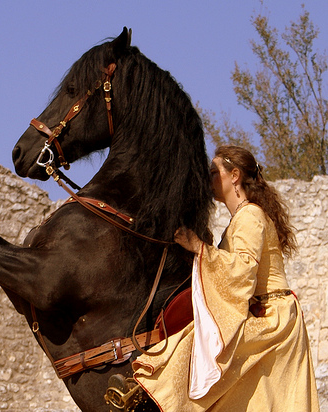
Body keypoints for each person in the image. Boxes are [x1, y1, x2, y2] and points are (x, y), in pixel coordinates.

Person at [132, 145, 319, 411]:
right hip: (266, 314)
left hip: (272, 318)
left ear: (234, 175)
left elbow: (242, 270)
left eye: (213, 172)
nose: (209, 180)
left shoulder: (251, 215)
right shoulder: (239, 219)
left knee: (199, 347)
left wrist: (200, 248)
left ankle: (150, 389)